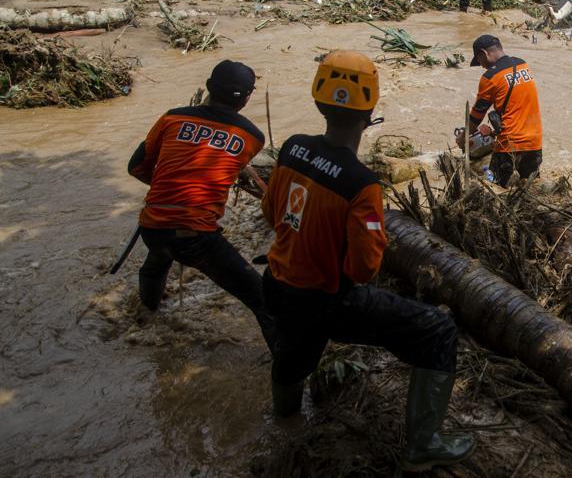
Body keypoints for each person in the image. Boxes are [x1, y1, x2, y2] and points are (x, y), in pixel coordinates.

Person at [261, 50, 475, 471]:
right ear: (369, 113)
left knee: (295, 350)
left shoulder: (291, 149)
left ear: (319, 102)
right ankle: (424, 444)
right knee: (437, 329)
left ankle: (284, 416)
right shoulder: (362, 184)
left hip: (278, 281)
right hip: (324, 298)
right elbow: (363, 270)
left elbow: (272, 214)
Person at [127, 60, 275, 348]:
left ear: (208, 86)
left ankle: (146, 317)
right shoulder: (252, 137)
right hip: (195, 236)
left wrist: (164, 188)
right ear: (246, 99)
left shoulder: (172, 118)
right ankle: (288, 375)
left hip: (153, 226)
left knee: (156, 262)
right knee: (263, 301)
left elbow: (136, 168)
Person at [467, 35, 543, 186]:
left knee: (494, 187)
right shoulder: (523, 65)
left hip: (509, 146)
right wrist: (494, 132)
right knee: (528, 187)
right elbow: (517, 109)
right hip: (534, 142)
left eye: (479, 61)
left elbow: (476, 117)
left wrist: (463, 137)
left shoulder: (490, 77)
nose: (481, 66)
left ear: (484, 53)